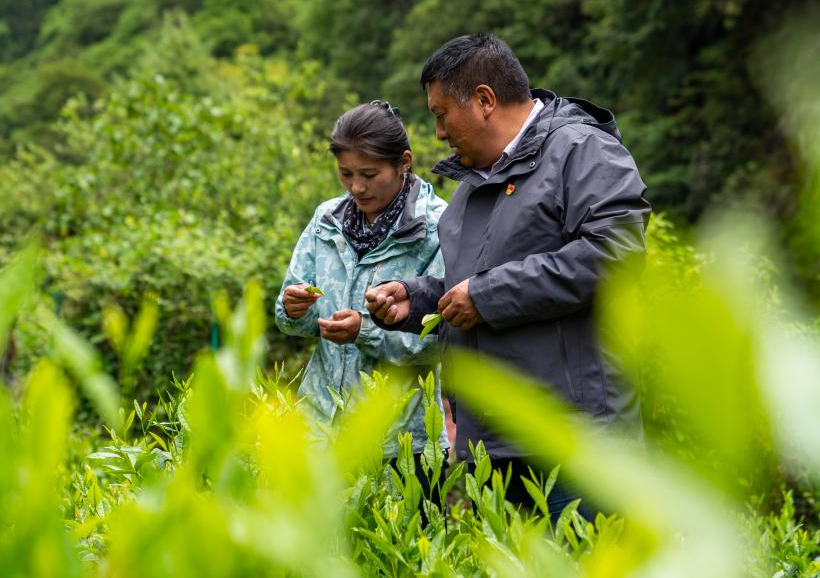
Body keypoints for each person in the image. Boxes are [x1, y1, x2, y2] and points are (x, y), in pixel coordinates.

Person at [365, 34, 651, 522]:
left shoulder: (582, 150)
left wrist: (486, 295)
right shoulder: (471, 187)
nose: (438, 133)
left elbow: (614, 253)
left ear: (484, 100)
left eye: (441, 114)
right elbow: (470, 286)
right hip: (492, 449)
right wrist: (417, 300)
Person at [275, 100, 450, 492]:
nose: (356, 187)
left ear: (404, 163)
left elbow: (441, 337)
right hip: (318, 434)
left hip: (400, 445)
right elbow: (292, 317)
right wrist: (293, 309)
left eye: (370, 174)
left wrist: (364, 332)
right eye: (346, 173)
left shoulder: (438, 228)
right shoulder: (326, 221)